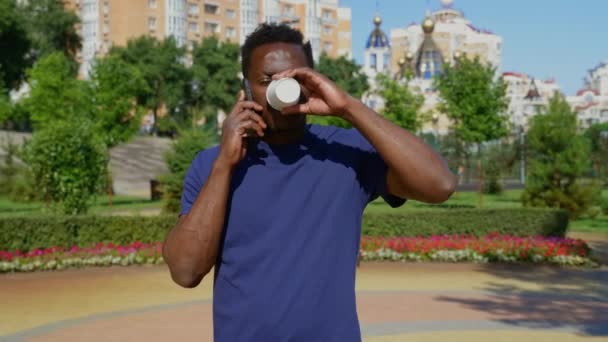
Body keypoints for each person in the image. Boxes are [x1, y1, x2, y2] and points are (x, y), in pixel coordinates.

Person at [162, 23, 456, 341]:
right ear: (245, 88)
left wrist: (347, 107)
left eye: (295, 78)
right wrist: (225, 163)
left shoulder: (346, 152)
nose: (281, 89)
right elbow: (185, 270)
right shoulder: (211, 164)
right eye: (266, 81)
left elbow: (439, 185)